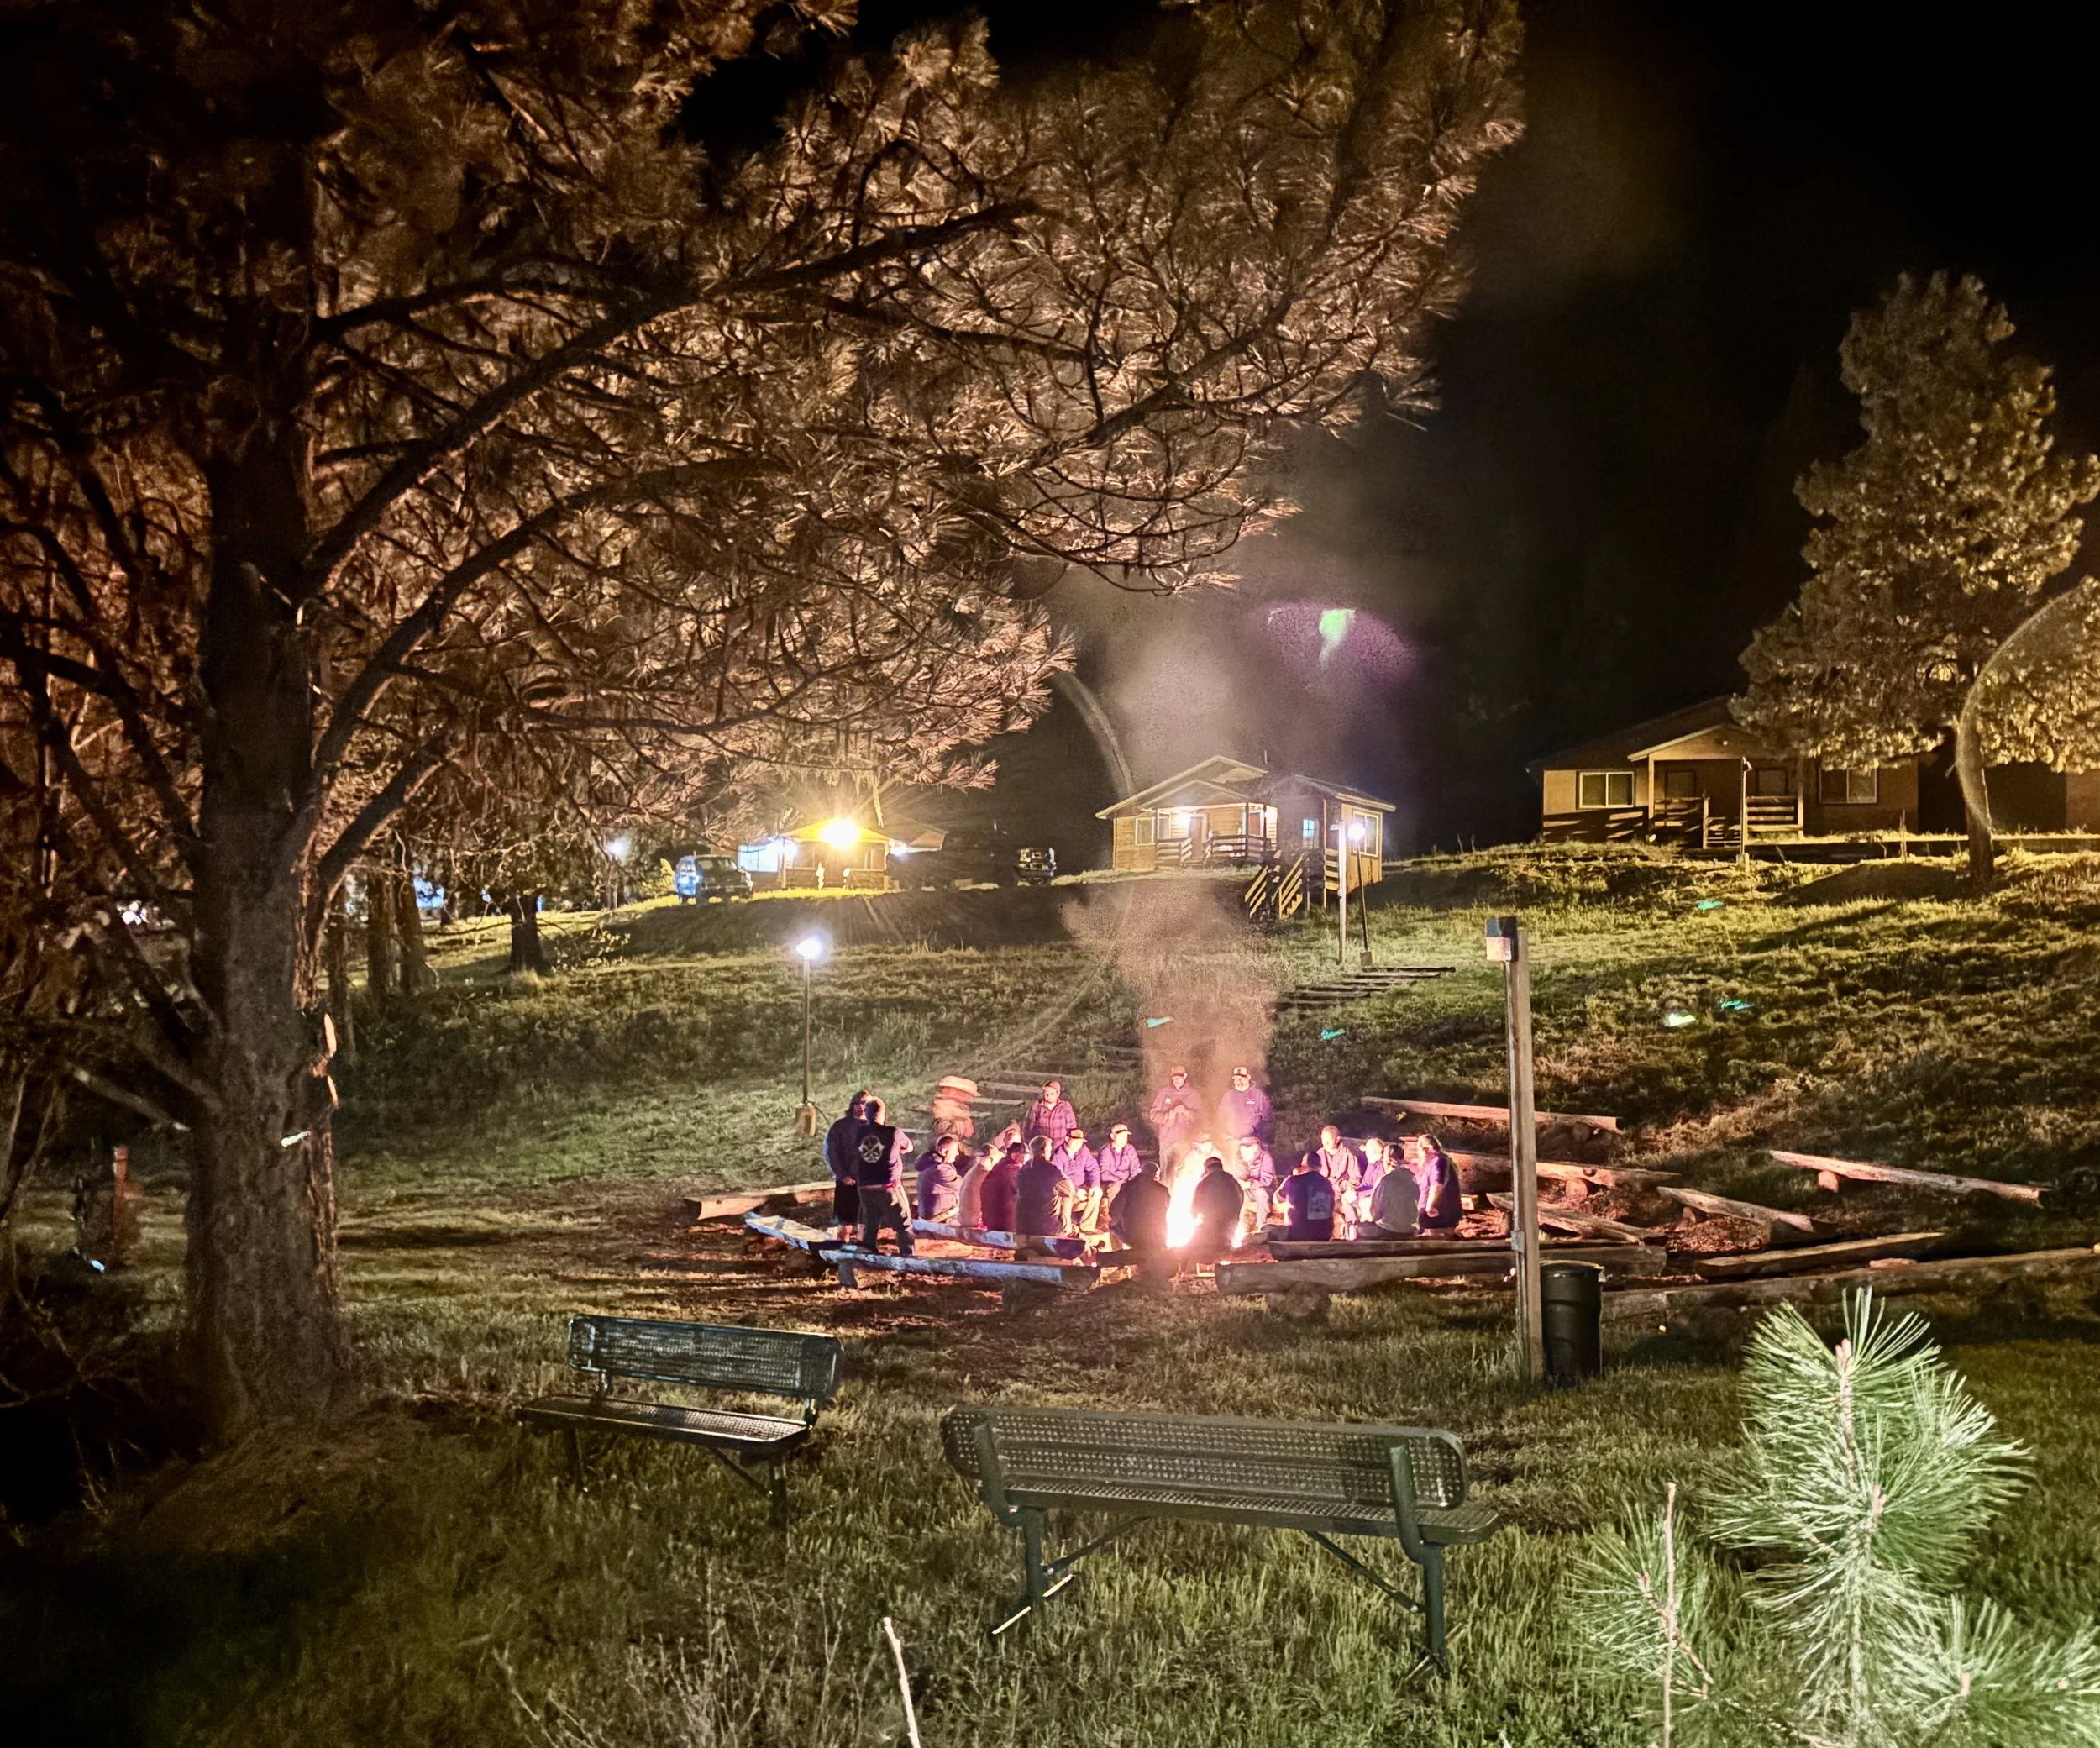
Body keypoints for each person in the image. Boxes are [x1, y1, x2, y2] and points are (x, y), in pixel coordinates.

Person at [853, 1095, 915, 1255]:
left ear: (866, 1115)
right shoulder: (893, 1132)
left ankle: (867, 1256)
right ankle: (908, 1259)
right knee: (903, 1225)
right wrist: (896, 1150)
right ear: (883, 1114)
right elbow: (909, 1147)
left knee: (871, 1224)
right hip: (888, 1188)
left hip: (865, 1188)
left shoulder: (859, 1133)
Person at [1110, 1161, 1174, 1280]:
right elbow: (1167, 1209)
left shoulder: (1127, 1187)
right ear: (1155, 1175)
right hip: (1156, 1238)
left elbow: (1114, 1210)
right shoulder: (1163, 1190)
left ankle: (1121, 1267)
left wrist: (1117, 1223)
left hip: (1131, 1235)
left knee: (1112, 1228)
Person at [822, 1089, 871, 1239]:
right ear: (853, 1106)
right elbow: (832, 1153)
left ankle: (864, 1252)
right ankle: (843, 1251)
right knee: (846, 1221)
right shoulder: (841, 1126)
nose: (862, 1107)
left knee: (866, 1221)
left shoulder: (874, 1126)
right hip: (848, 1181)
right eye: (859, 1103)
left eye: (866, 1103)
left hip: (867, 1182)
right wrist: (843, 1175)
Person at [1187, 1153, 1245, 1264]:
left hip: (1210, 1222)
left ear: (1207, 1169)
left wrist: (1194, 1218)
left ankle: (1206, 1261)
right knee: (1225, 1244)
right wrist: (1236, 1215)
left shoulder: (1205, 1182)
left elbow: (1195, 1204)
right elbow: (1241, 1197)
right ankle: (1225, 1261)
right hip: (1231, 1220)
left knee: (1205, 1244)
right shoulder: (1232, 1180)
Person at [1014, 1139, 1069, 1255]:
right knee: (1073, 1230)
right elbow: (1069, 1190)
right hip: (1047, 1228)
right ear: (1046, 1151)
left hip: (1022, 1227)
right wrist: (1066, 1216)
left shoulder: (1023, 1170)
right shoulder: (1053, 1171)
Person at [1310, 1125, 1362, 1237]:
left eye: (1329, 1140)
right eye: (1323, 1140)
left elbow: (1356, 1179)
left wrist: (1340, 1185)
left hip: (1340, 1192)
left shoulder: (1348, 1155)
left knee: (1341, 1201)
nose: (1325, 1143)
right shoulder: (1319, 1155)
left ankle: (1349, 1232)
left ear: (1337, 1140)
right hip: (1322, 1191)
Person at [1409, 1132, 1464, 1231]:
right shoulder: (1432, 1163)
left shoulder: (1439, 1162)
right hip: (1431, 1210)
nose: (1418, 1153)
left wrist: (1430, 1206)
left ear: (1427, 1149)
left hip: (1438, 1212)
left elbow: (1437, 1184)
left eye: (1419, 1149)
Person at [1278, 1151, 1337, 1241]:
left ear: (1303, 1166)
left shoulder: (1294, 1181)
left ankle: (1290, 1237)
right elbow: (1332, 1206)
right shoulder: (1327, 1183)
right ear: (1320, 1167)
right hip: (1324, 1234)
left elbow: (1277, 1198)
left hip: (1300, 1233)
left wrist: (1290, 1179)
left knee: (1288, 1203)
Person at [1147, 1067, 1202, 1160]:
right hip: (1167, 1140)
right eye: (1174, 1077)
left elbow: (1201, 1118)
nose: (1176, 1080)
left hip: (1186, 1141)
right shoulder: (1163, 1093)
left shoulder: (1193, 1094)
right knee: (1167, 1171)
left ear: (1185, 1076)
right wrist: (1169, 1115)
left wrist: (1186, 1112)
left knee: (1186, 1172)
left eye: (1179, 1077)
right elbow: (1153, 1115)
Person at [1360, 1155, 1420, 1238]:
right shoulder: (1412, 1179)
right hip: (1410, 1229)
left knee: (1361, 1230)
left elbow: (1375, 1214)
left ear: (1389, 1161)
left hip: (1390, 1230)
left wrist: (1365, 1214)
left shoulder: (1386, 1180)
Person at [1095, 1121, 1145, 1220]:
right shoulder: (1105, 1151)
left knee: (1141, 1186)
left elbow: (1135, 1168)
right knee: (1116, 1187)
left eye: (1125, 1136)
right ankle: (1114, 1219)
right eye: (1120, 1136)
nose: (1124, 1139)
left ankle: (1138, 1219)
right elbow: (1104, 1173)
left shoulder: (1130, 1149)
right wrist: (1120, 1181)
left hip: (1127, 1181)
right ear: (1112, 1136)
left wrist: (1132, 1182)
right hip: (1110, 1183)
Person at [1231, 1132, 1278, 1234]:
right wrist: (1241, 1183)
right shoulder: (1239, 1158)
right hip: (1249, 1191)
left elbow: (1266, 1180)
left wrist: (1249, 1184)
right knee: (1238, 1195)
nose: (1243, 1152)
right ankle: (1238, 1227)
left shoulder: (1265, 1157)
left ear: (1254, 1147)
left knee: (1260, 1193)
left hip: (1266, 1190)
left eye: (1245, 1149)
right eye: (1242, 1149)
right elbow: (1239, 1176)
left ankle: (1261, 1227)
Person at [1058, 1126, 1102, 1231]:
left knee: (1097, 1193)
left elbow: (1094, 1168)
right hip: (1067, 1192)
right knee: (1066, 1199)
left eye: (1081, 1142)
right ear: (1067, 1139)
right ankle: (1066, 1228)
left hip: (1082, 1187)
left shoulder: (1083, 1151)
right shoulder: (1058, 1156)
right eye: (1076, 1141)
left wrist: (1095, 1185)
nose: (1079, 1144)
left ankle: (1087, 1227)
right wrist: (1075, 1191)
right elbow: (1060, 1179)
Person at [1216, 1064, 1273, 1146]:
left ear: (1248, 1078)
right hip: (1232, 1142)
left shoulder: (1258, 1096)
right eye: (1236, 1079)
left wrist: (1257, 1138)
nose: (1238, 1081)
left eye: (1241, 1079)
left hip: (1254, 1144)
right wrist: (1225, 1135)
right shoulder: (1228, 1097)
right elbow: (1220, 1118)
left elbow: (1268, 1120)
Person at [915, 1134, 965, 1224]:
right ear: (944, 1151)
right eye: (955, 1150)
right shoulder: (939, 1170)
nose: (957, 1153)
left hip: (939, 1213)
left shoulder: (935, 1164)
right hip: (939, 1217)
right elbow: (963, 1186)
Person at [979, 1141, 1026, 1234]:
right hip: (1006, 1222)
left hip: (990, 1222)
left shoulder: (997, 1167)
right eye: (1024, 1155)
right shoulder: (1014, 1170)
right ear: (1016, 1156)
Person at [1021, 1079, 1078, 1148]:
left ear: (1058, 1094)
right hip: (1041, 1149)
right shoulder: (1036, 1107)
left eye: (1052, 1094)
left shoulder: (1065, 1107)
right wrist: (1030, 1145)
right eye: (1047, 1094)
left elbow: (1072, 1128)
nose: (1049, 1096)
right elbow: (1028, 1128)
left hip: (1060, 1149)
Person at [954, 1142, 994, 1230]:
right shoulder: (986, 1175)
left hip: (964, 1219)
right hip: (975, 1221)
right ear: (991, 1159)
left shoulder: (972, 1171)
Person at [930, 1075, 979, 1144]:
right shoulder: (942, 1108)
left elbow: (969, 1133)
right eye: (967, 1094)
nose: (969, 1097)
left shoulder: (963, 1110)